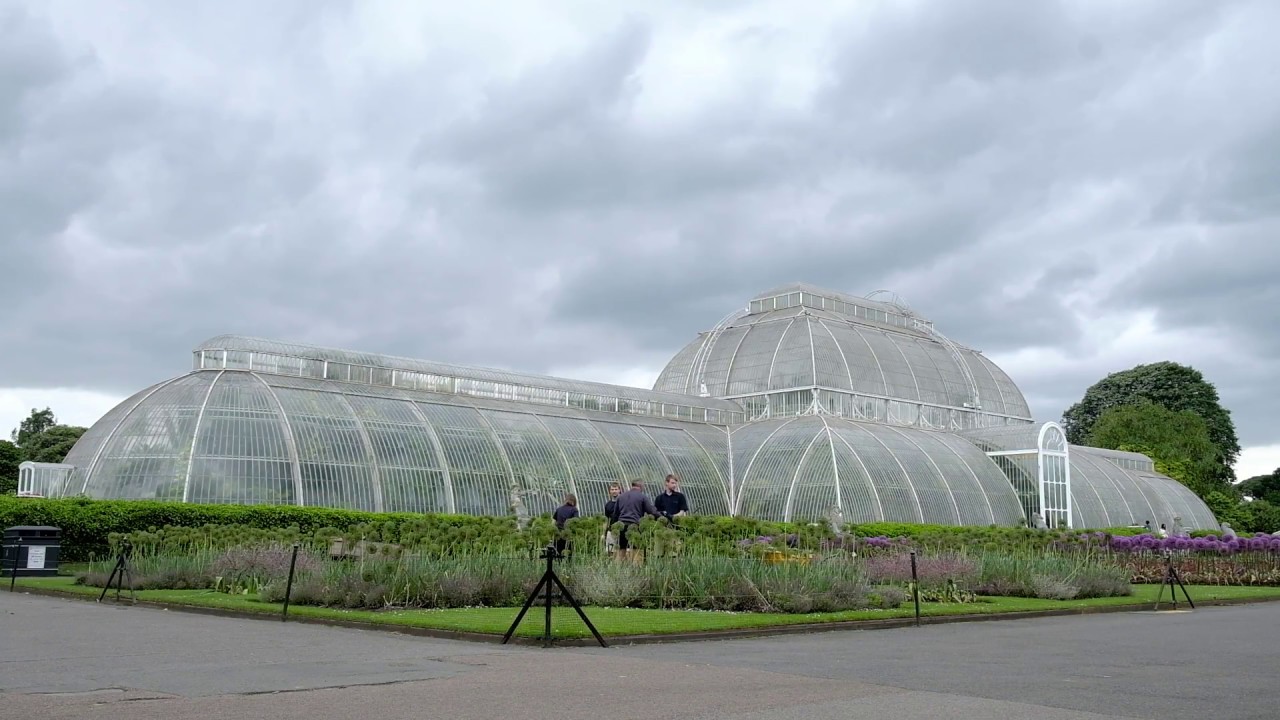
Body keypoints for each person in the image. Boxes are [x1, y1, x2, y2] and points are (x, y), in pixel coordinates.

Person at [614, 480, 660, 558]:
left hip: (621, 525)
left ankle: (619, 568)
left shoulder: (621, 496)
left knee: (621, 548)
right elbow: (651, 511)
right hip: (635, 525)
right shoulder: (642, 497)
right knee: (637, 549)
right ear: (641, 486)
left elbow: (615, 514)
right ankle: (636, 568)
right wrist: (661, 517)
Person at [603, 483, 621, 554]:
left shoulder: (623, 502)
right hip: (611, 531)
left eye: (616, 489)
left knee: (622, 550)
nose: (614, 491)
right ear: (609, 491)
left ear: (619, 490)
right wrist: (603, 533)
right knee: (610, 551)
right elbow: (606, 520)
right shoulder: (608, 505)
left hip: (622, 530)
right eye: (612, 489)